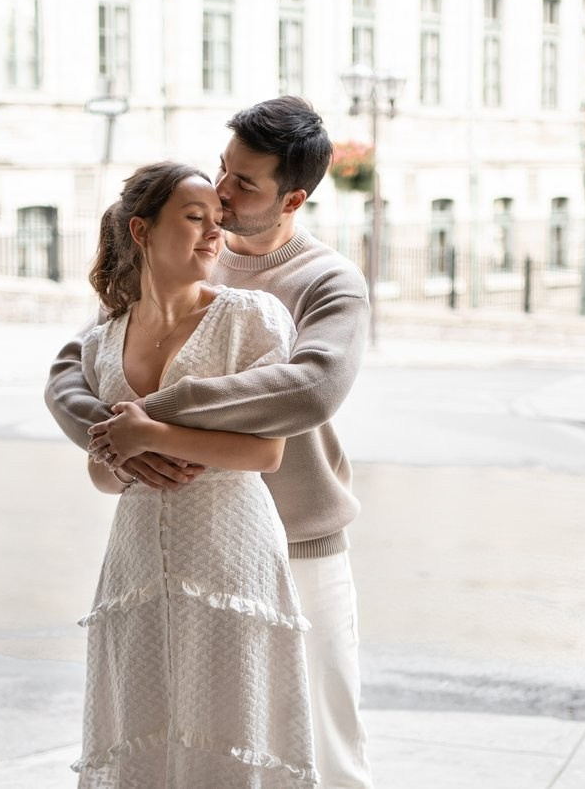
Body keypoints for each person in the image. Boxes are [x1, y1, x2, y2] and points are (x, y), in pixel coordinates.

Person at [48, 97, 374, 789]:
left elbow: (309, 388)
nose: (222, 193)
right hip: (171, 546)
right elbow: (75, 367)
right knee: (178, 740)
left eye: (244, 184)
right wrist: (113, 443)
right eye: (224, 170)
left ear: (294, 198)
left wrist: (153, 419)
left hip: (297, 539)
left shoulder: (326, 282)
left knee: (322, 746)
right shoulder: (187, 261)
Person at [72, 160, 318, 788]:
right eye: (194, 218)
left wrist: (149, 435)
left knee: (227, 726)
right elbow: (102, 477)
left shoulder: (250, 317)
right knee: (143, 723)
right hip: (134, 557)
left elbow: (266, 453)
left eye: (218, 220)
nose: (214, 233)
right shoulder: (106, 340)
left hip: (228, 546)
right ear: (142, 230)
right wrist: (121, 457)